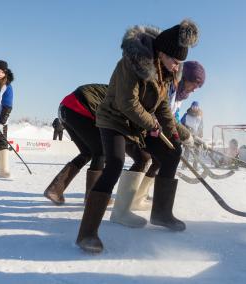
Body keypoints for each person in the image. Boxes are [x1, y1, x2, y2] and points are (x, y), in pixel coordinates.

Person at [76, 19, 199, 254]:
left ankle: (162, 214)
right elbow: (126, 102)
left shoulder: (166, 72)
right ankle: (87, 233)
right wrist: (150, 122)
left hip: (139, 124)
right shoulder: (131, 63)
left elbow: (163, 110)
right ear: (162, 53)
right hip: (114, 120)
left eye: (179, 63)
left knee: (172, 151)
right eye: (175, 61)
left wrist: (177, 134)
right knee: (115, 164)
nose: (177, 67)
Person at [126, 61, 205, 213]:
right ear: (185, 77)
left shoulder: (181, 96)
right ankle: (148, 207)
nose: (195, 89)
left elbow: (173, 117)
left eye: (198, 86)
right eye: (195, 84)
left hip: (153, 129)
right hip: (142, 127)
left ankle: (139, 198)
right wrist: (183, 135)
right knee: (166, 155)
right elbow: (164, 115)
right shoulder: (170, 87)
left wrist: (191, 137)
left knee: (160, 160)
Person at [43, 84, 107, 205]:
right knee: (101, 151)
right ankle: (93, 198)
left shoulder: (116, 89)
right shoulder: (124, 95)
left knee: (87, 152)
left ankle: (55, 190)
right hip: (77, 108)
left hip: (65, 109)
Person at [181, 101, 203, 169]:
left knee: (197, 150)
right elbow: (181, 123)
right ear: (191, 107)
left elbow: (201, 126)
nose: (194, 108)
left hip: (196, 135)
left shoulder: (200, 117)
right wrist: (185, 130)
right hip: (188, 134)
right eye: (193, 106)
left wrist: (201, 134)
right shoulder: (186, 115)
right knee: (187, 149)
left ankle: (195, 165)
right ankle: (184, 165)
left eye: (196, 107)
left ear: (198, 108)